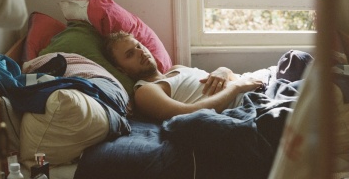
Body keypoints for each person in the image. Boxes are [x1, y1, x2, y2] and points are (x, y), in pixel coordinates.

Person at [103, 31, 265, 121]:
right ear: (122, 70)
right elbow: (189, 114)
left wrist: (224, 70)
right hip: (248, 104)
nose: (141, 52)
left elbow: (226, 80)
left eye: (139, 46)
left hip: (258, 84)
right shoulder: (145, 91)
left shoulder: (177, 68)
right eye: (130, 54)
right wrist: (236, 88)